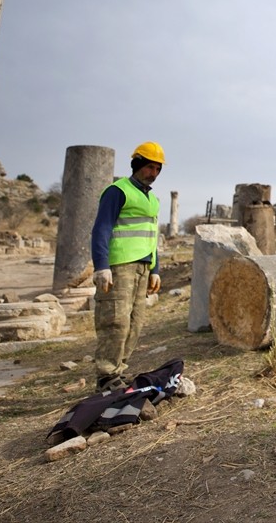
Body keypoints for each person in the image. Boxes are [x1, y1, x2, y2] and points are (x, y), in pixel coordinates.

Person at [90, 141, 165, 391]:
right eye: (149, 167)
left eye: (157, 169)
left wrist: (155, 269)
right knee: (115, 320)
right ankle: (106, 375)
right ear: (137, 165)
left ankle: (119, 371)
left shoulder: (152, 200)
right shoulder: (117, 191)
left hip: (143, 267)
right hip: (119, 265)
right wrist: (102, 266)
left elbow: (151, 236)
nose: (152, 173)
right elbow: (101, 228)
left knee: (135, 323)